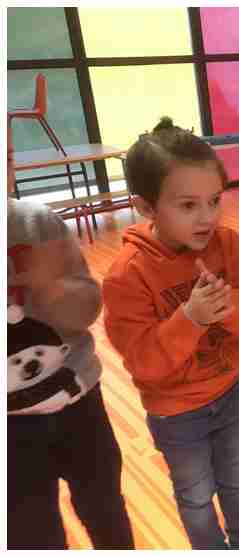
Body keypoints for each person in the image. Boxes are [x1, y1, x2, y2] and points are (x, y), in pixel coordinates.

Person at [102, 117, 239, 550]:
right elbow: (144, 362)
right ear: (147, 207)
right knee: (196, 497)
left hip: (231, 392)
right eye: (188, 205)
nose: (207, 217)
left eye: (214, 200)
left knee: (237, 479)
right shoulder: (127, 275)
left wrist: (229, 306)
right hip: (175, 413)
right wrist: (191, 318)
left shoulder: (230, 247)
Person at [8, 135, 135, 549]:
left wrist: (55, 289)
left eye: (5, 158)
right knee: (32, 533)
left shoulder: (37, 224)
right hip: (11, 433)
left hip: (80, 403)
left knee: (106, 509)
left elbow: (88, 307)